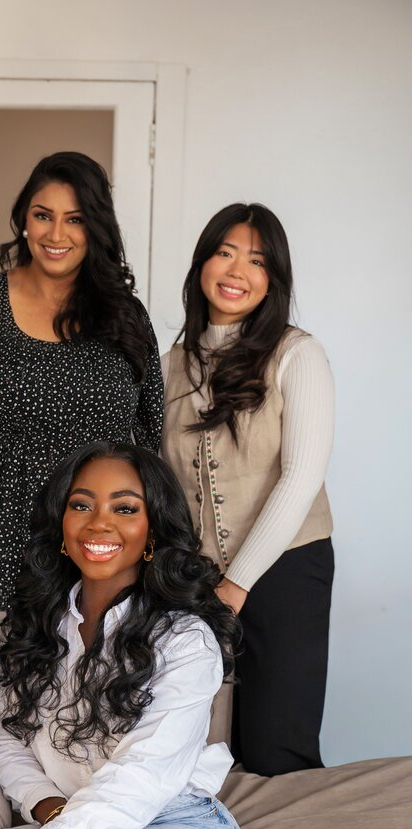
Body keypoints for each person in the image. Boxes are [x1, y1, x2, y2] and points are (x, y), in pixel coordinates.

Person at [0, 152, 163, 658]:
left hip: (99, 558)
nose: (57, 233)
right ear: (23, 220)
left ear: (96, 228)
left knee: (90, 709)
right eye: (43, 215)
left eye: (75, 219)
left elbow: (150, 444)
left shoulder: (126, 317)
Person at [0, 441, 241, 828]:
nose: (98, 523)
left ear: (153, 529)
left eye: (125, 508)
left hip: (171, 817)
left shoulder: (187, 640)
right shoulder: (35, 625)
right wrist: (47, 805)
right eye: (81, 505)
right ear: (61, 523)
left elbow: (142, 776)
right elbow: (3, 733)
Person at [161, 203, 335, 776]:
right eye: (225, 252)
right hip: (196, 578)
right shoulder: (172, 364)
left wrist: (237, 583)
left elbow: (302, 476)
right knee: (200, 747)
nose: (237, 271)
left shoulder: (297, 354)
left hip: (287, 569)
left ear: (273, 279)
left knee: (274, 747)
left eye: (257, 261)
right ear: (202, 263)